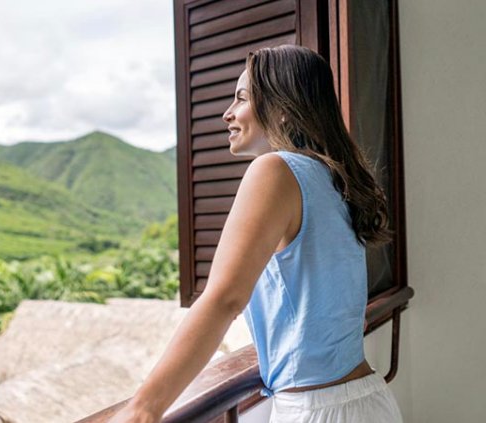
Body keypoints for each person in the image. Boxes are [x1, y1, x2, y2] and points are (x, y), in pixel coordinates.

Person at [107, 45, 403, 423]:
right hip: (368, 399)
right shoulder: (334, 177)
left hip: (320, 410)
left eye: (242, 98)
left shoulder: (275, 171)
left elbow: (225, 298)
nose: (227, 113)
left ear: (281, 108)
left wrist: (143, 408)